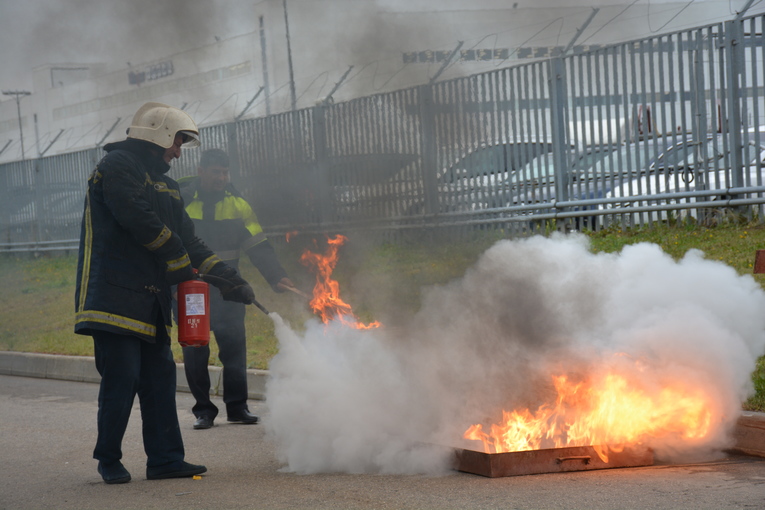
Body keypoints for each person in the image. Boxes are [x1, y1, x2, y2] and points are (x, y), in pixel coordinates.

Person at [74, 102, 256, 485]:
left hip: (152, 302)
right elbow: (138, 218)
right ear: (157, 133)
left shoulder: (169, 187)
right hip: (114, 298)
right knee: (122, 380)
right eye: (176, 141)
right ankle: (109, 459)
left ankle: (165, 460)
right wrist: (177, 259)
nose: (178, 151)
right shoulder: (117, 166)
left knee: (159, 381)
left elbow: (189, 241)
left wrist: (227, 278)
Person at [179, 148, 294, 430]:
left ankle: (237, 407)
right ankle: (203, 411)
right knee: (195, 348)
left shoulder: (238, 205)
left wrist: (276, 275)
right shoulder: (181, 201)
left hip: (228, 288)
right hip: (191, 289)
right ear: (201, 171)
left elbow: (258, 245)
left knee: (233, 346)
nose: (221, 178)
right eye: (216, 172)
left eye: (225, 172)